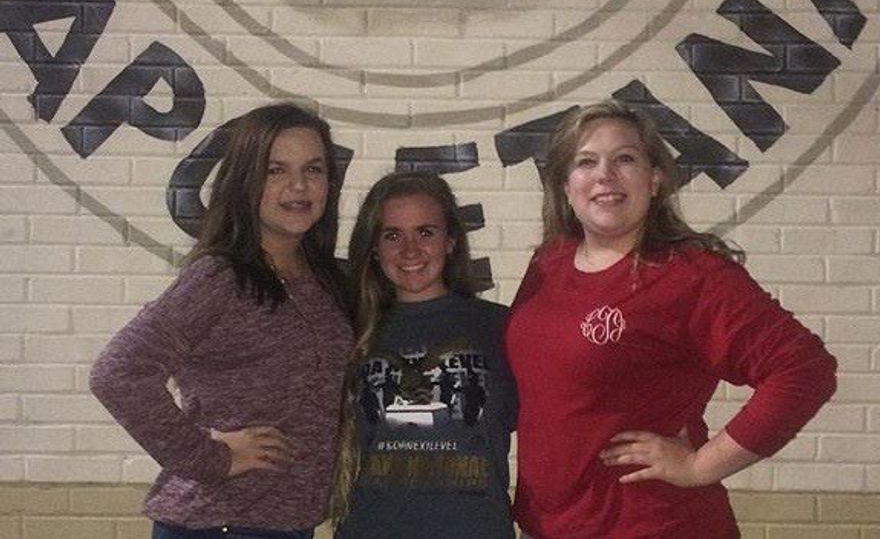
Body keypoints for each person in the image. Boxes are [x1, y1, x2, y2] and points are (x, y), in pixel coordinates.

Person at [505, 100, 837, 539]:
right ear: (566, 185)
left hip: (652, 524)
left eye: (625, 159)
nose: (605, 175)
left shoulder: (691, 276)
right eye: (586, 162)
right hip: (549, 525)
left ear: (655, 178)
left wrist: (700, 465)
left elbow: (805, 369)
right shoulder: (550, 263)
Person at [89, 102, 353, 539]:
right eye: (275, 170)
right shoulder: (220, 277)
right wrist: (209, 456)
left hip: (285, 524)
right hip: (220, 523)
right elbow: (118, 373)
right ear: (246, 180)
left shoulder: (326, 281)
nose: (299, 186)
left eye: (313, 169)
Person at [332, 171, 516, 539]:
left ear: (451, 242)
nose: (410, 250)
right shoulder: (346, 330)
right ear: (374, 248)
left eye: (426, 233)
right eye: (392, 235)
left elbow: (562, 421)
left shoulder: (501, 327)